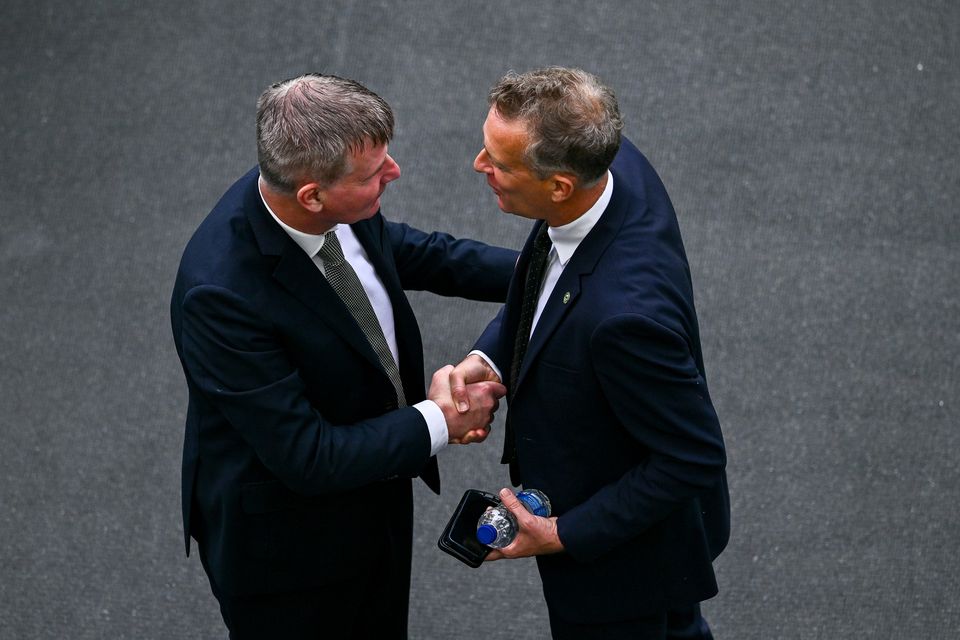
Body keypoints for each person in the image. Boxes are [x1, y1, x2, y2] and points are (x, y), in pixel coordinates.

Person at [170, 73, 517, 639]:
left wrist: (542, 274)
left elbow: (411, 252)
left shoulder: (318, 199)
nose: (395, 172)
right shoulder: (221, 295)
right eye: (375, 173)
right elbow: (307, 456)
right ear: (312, 195)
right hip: (289, 558)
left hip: (370, 500)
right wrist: (441, 420)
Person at [450, 67, 730, 639]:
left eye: (499, 163)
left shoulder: (624, 321)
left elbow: (692, 456)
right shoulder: (607, 163)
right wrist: (492, 358)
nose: (479, 166)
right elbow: (546, 284)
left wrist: (560, 535)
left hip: (625, 569)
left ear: (558, 187)